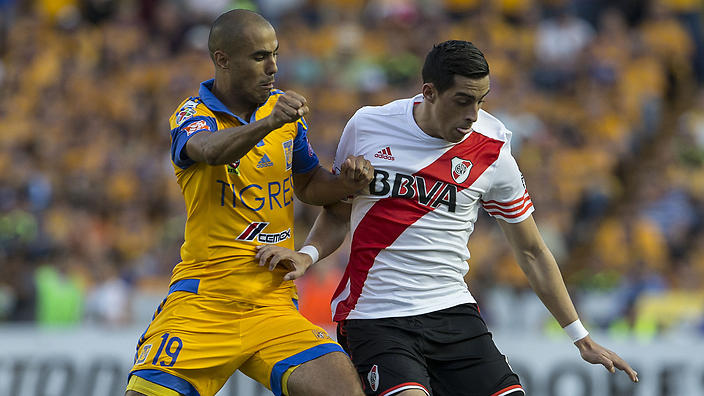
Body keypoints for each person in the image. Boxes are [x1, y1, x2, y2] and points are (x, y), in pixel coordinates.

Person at [256, 40, 639, 396]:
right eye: (462, 101)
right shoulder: (368, 126)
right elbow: (338, 213)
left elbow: (533, 251)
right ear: (429, 92)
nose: (473, 115)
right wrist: (307, 254)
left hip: (452, 311)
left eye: (481, 101)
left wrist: (580, 337)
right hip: (376, 315)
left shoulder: (494, 147)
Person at [125, 9, 372, 396]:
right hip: (205, 302)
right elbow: (208, 151)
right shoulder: (193, 114)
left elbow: (308, 184)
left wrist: (347, 183)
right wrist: (266, 123)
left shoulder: (285, 119)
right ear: (222, 60)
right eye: (260, 57)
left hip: (272, 303)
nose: (273, 67)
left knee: (344, 390)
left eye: (275, 54)